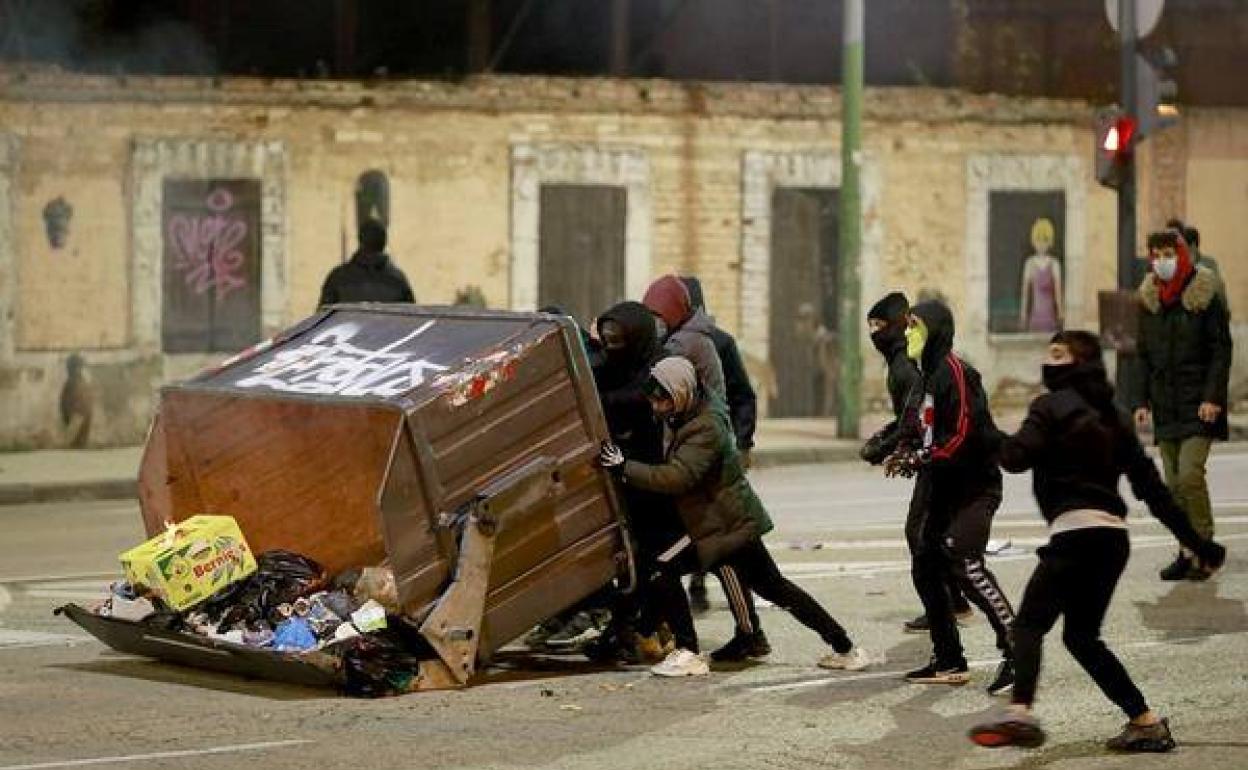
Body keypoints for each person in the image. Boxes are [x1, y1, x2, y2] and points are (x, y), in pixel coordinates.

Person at [969, 331, 1227, 751]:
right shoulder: (1114, 416)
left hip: (1075, 535)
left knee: (1030, 624)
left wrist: (982, 425)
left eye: (1057, 354)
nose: (1048, 361)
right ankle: (1145, 722)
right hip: (1112, 542)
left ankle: (1019, 713)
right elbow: (1153, 491)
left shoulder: (1050, 407)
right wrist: (1198, 543)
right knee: (1082, 639)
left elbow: (1014, 458)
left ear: (1078, 362)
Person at [599, 357, 873, 676]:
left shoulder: (704, 426)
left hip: (725, 525)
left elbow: (678, 477)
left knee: (670, 568)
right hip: (721, 522)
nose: (657, 407)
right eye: (655, 400)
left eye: (663, 400)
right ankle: (843, 647)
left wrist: (623, 468)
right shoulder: (689, 411)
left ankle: (689, 652)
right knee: (773, 587)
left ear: (681, 392)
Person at [884, 300, 1016, 694]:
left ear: (936, 330)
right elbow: (913, 423)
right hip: (942, 484)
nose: (907, 333)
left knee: (965, 563)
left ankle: (1018, 649)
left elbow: (961, 433)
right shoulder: (923, 375)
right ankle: (948, 658)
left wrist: (923, 455)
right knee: (925, 562)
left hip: (974, 485)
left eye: (915, 326)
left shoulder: (956, 372)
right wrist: (898, 449)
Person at [643, 275, 768, 661]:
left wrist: (741, 443)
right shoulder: (679, 341)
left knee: (723, 551)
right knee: (716, 549)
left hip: (706, 455)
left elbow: (740, 395)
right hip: (702, 451)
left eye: (657, 313)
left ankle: (748, 633)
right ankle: (744, 631)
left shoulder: (695, 344)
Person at [860, 292, 973, 635]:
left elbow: (919, 420)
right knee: (928, 534)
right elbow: (911, 419)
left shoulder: (913, 367)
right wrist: (890, 443)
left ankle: (951, 608)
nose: (875, 333)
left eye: (881, 325)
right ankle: (953, 605)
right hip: (931, 458)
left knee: (922, 534)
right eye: (871, 327)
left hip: (942, 461)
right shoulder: (908, 363)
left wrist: (894, 447)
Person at [1132, 230, 1233, 581]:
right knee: (1173, 485)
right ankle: (1186, 551)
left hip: (1198, 405)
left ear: (1182, 254)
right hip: (1166, 405)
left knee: (1190, 475)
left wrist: (1212, 398)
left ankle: (1204, 547)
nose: (1162, 260)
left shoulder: (1206, 295)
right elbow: (1142, 355)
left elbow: (1221, 351)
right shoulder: (1149, 300)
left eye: (1167, 253)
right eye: (1155, 254)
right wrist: (1140, 400)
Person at [679, 276, 759, 616]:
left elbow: (743, 394)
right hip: (687, 449)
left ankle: (713, 585)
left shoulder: (720, 343)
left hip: (715, 447)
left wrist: (744, 442)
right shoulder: (671, 342)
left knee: (718, 523)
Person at [318, 220, 415, 307]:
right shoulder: (398, 280)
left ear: (360, 240)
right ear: (384, 242)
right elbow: (411, 320)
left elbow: (322, 320)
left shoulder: (337, 278)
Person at [1166, 219, 1226, 308]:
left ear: (1193, 245)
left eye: (1182, 246)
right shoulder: (1175, 264)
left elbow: (1218, 289)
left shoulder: (1208, 263)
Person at [1018, 217, 1063, 333]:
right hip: (1035, 316)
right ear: (1034, 241)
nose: (1041, 244)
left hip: (1050, 317)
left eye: (1045, 240)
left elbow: (1058, 292)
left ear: (1049, 242)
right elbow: (1025, 293)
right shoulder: (1029, 263)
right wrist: (1023, 315)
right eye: (1038, 240)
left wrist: (1060, 314)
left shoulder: (1054, 264)